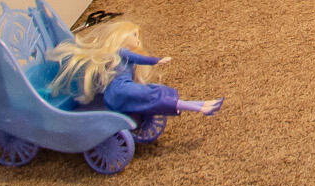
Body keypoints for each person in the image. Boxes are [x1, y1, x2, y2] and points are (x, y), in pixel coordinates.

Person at [47, 19, 223, 119]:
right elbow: (140, 59)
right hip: (120, 91)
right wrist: (156, 60)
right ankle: (201, 107)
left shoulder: (118, 55)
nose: (138, 40)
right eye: (134, 35)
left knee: (157, 91)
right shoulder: (119, 53)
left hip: (120, 89)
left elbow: (138, 59)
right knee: (154, 95)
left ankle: (201, 105)